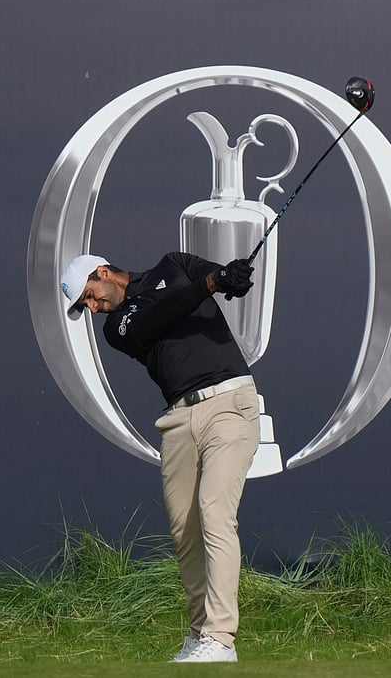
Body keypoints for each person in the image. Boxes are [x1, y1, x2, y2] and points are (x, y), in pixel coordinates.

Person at [59, 251, 260, 663]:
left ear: (103, 272)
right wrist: (209, 284)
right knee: (185, 531)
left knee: (215, 511)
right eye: (86, 307)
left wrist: (232, 277)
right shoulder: (117, 327)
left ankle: (221, 639)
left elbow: (222, 282)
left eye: (90, 297)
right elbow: (161, 315)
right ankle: (200, 633)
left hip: (229, 405)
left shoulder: (176, 265)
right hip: (179, 420)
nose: (93, 309)